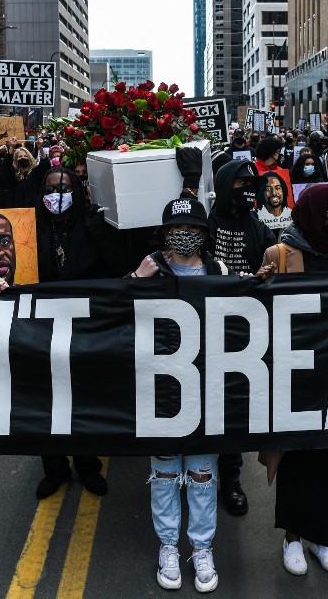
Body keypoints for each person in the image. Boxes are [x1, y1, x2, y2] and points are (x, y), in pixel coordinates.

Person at [258, 184, 328, 580]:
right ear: (314, 215)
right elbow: (260, 312)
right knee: (298, 457)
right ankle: (291, 538)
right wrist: (260, 284)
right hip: (297, 377)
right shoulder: (281, 254)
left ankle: (321, 537)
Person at [128, 197, 227, 593]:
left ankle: (202, 547)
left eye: (191, 230)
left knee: (203, 473)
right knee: (165, 473)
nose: (182, 236)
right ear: (163, 233)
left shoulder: (218, 270)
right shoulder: (149, 267)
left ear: (204, 235)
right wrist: (135, 279)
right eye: (173, 230)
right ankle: (168, 545)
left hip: (206, 390)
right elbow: (114, 316)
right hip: (161, 392)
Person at [32, 166, 109, 500]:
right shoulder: (31, 228)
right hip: (40, 330)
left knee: (83, 400)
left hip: (83, 329)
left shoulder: (91, 224)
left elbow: (111, 267)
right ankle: (54, 468)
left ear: (77, 192)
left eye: (64, 189)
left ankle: (88, 464)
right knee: (45, 402)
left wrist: (99, 233)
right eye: (50, 189)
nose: (57, 195)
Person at [206, 159, 276, 516]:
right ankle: (198, 474)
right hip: (202, 331)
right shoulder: (206, 223)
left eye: (254, 183)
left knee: (232, 410)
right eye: (241, 183)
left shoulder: (258, 227)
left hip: (242, 336)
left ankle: (230, 478)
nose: (249, 189)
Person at [255, 171, 292, 236]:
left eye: (278, 188)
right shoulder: (256, 218)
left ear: (283, 191)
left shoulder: (292, 215)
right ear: (262, 192)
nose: (274, 193)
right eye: (268, 189)